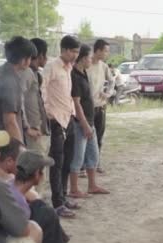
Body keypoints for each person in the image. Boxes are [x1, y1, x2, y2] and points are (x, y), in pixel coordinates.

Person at [42, 35, 81, 218]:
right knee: (56, 164)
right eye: (73, 51)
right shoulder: (51, 66)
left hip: (69, 118)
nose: (75, 55)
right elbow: (42, 90)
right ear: (64, 50)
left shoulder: (69, 67)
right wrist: (49, 113)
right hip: (57, 120)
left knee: (67, 161)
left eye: (77, 52)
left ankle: (63, 197)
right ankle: (57, 204)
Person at [69, 44, 110, 198]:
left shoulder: (83, 73)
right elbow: (76, 102)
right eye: (89, 57)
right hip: (81, 123)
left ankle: (92, 185)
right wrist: (84, 124)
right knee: (78, 156)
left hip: (90, 121)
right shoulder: (74, 76)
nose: (91, 60)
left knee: (93, 154)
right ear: (83, 58)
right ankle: (73, 189)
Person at [0, 36, 37, 143]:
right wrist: (19, 149)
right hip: (8, 140)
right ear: (24, 59)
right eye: (29, 57)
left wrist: (26, 128)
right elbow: (10, 122)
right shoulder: (10, 82)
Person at [87, 39, 114, 173]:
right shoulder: (86, 64)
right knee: (86, 137)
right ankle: (83, 166)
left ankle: (96, 163)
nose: (107, 54)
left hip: (101, 106)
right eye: (105, 51)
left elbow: (112, 81)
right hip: (87, 107)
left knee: (99, 135)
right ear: (97, 50)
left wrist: (108, 93)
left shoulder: (103, 66)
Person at [22, 38, 50, 157]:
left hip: (38, 130)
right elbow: (19, 102)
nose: (47, 58)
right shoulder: (25, 73)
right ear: (40, 55)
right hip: (31, 132)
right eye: (46, 54)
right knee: (35, 170)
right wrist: (27, 128)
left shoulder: (36, 74)